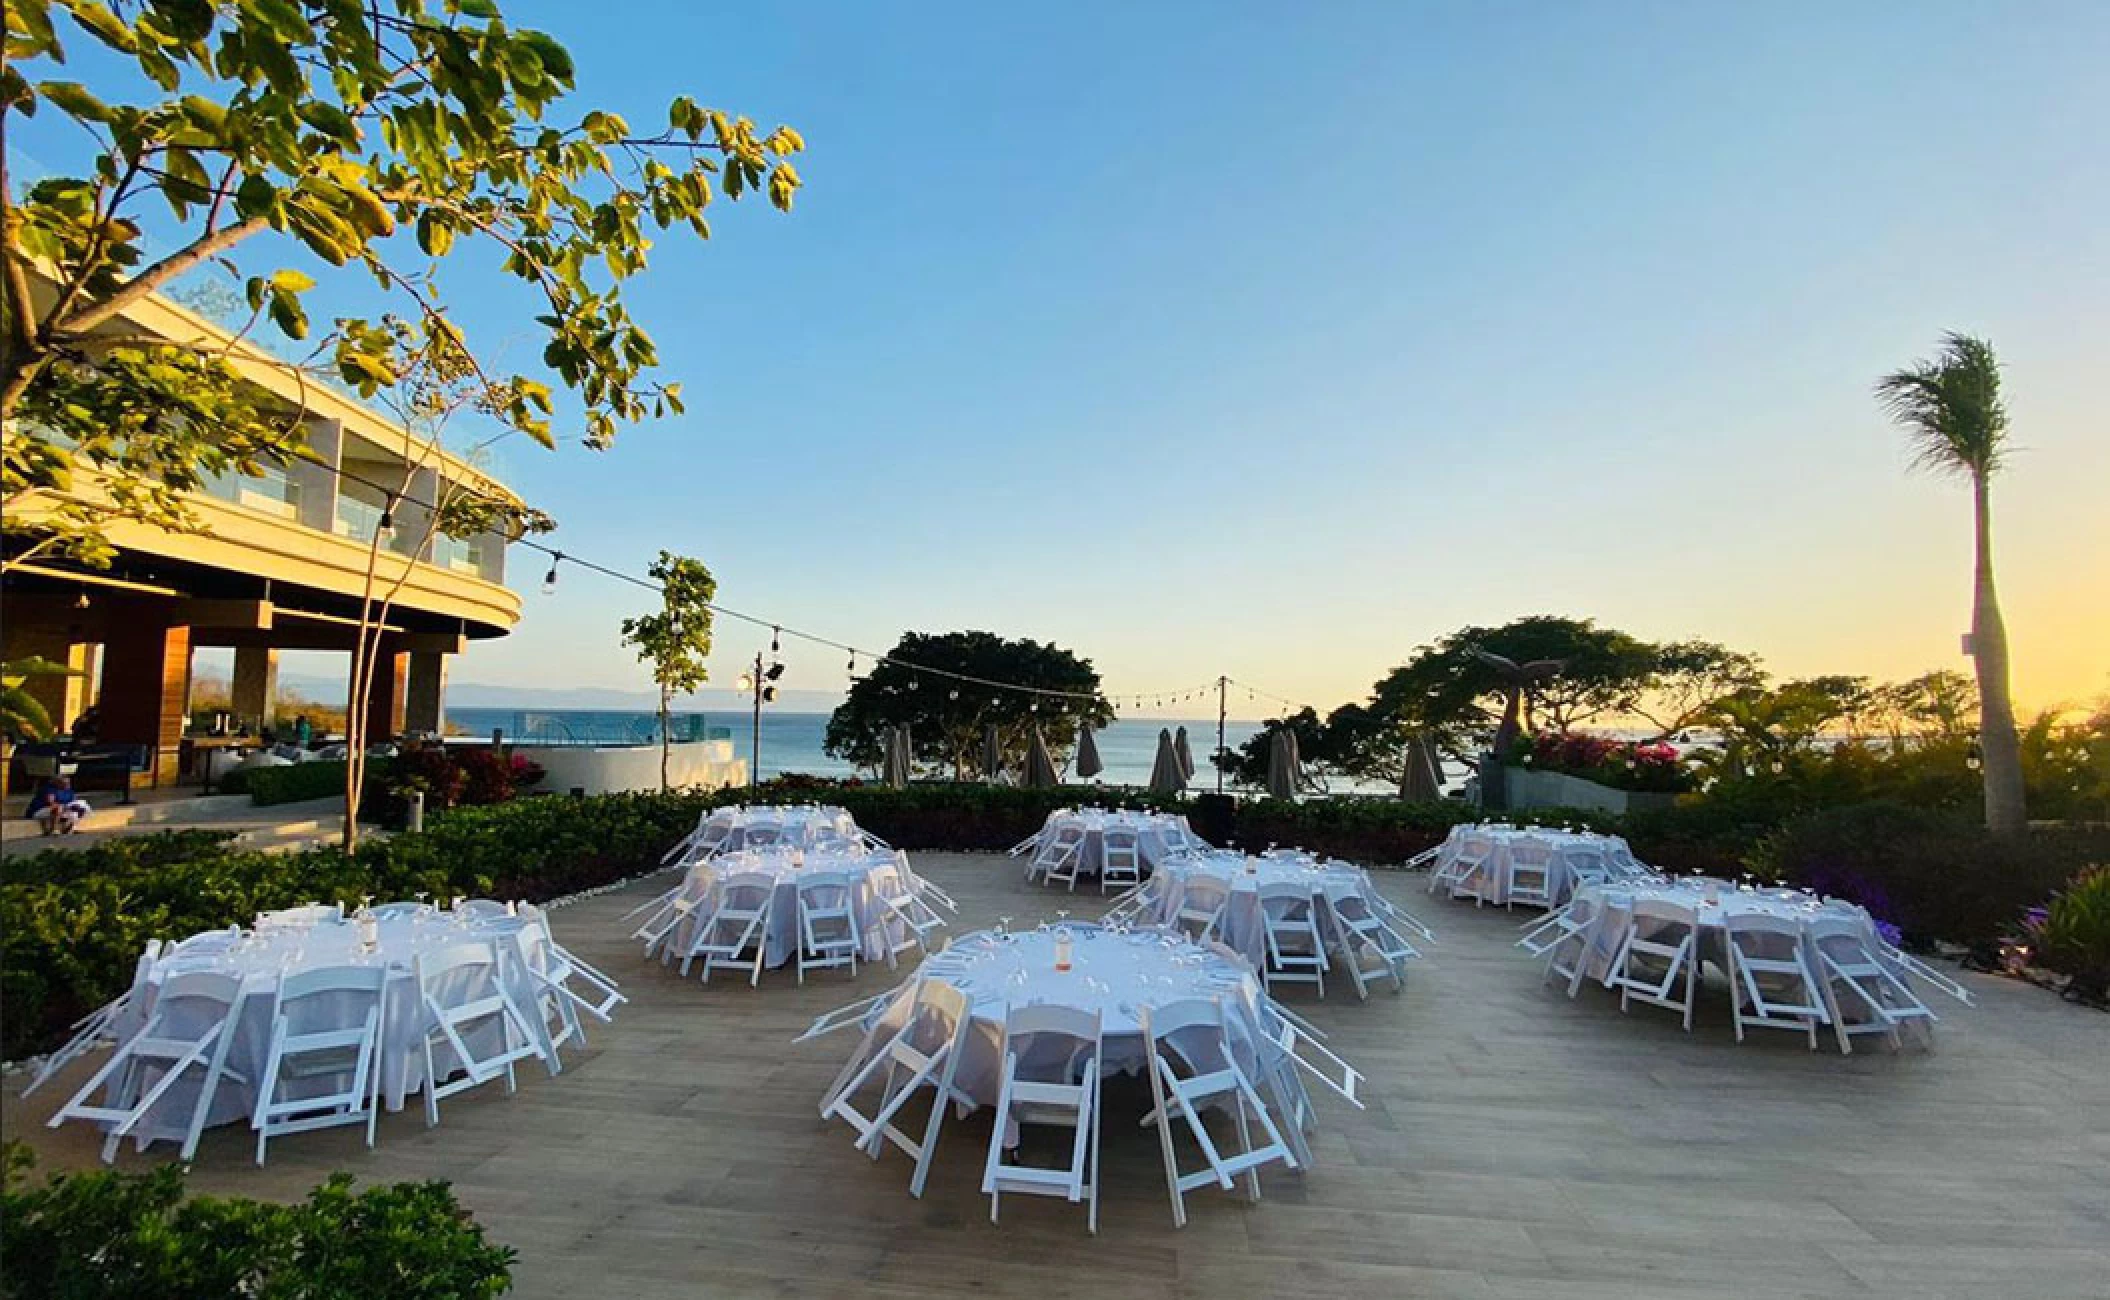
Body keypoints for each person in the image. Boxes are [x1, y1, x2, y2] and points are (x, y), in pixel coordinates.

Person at [27, 774, 91, 836]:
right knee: (59, 807)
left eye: (68, 783)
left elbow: (73, 802)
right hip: (39, 811)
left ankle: (69, 828)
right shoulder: (49, 789)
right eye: (64, 783)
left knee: (79, 809)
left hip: (61, 811)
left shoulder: (69, 791)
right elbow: (52, 803)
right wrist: (65, 807)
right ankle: (54, 829)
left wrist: (76, 807)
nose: (67, 785)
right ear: (57, 783)